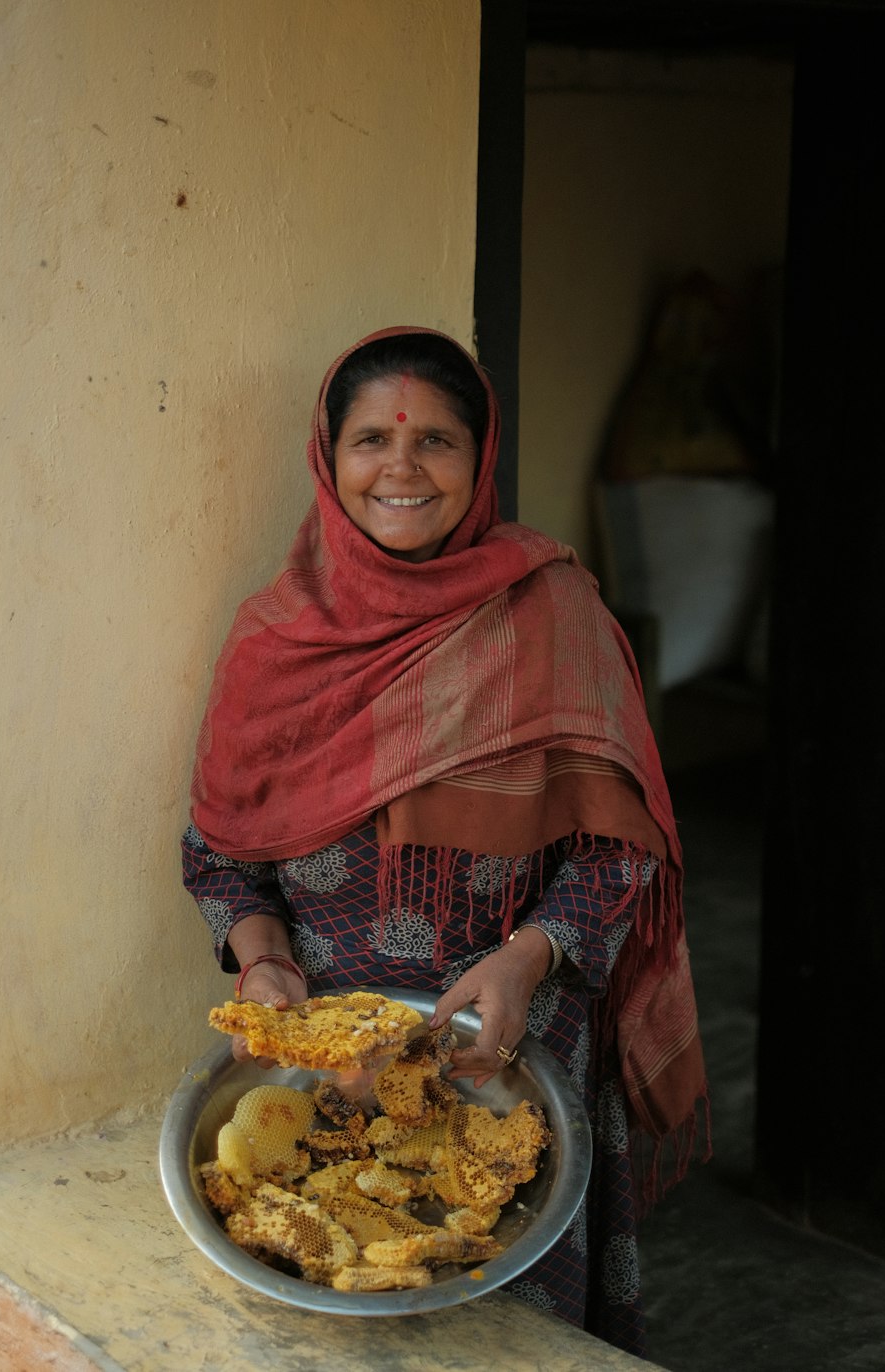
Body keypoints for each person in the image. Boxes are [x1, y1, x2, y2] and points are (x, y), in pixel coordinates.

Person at [182, 326, 707, 1355]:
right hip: (322, 1078)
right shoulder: (273, 641)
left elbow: (619, 846)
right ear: (329, 464)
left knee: (509, 1333)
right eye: (371, 439)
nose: (402, 468)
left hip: (512, 1059)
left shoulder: (551, 613)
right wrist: (264, 961)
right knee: (342, 1309)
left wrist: (527, 958)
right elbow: (217, 849)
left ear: (481, 460)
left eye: (437, 442)